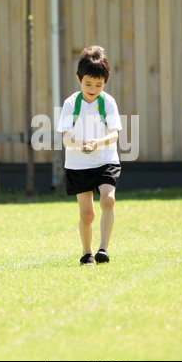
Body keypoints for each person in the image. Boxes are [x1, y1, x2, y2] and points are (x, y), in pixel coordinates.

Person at [57, 46, 122, 265]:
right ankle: (87, 253)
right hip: (78, 164)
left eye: (98, 85)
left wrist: (97, 143)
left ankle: (104, 249)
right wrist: (79, 144)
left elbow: (114, 134)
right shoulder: (70, 104)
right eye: (88, 84)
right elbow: (65, 138)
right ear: (78, 79)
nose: (93, 89)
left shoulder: (108, 102)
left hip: (105, 160)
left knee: (108, 199)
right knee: (87, 215)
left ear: (105, 81)